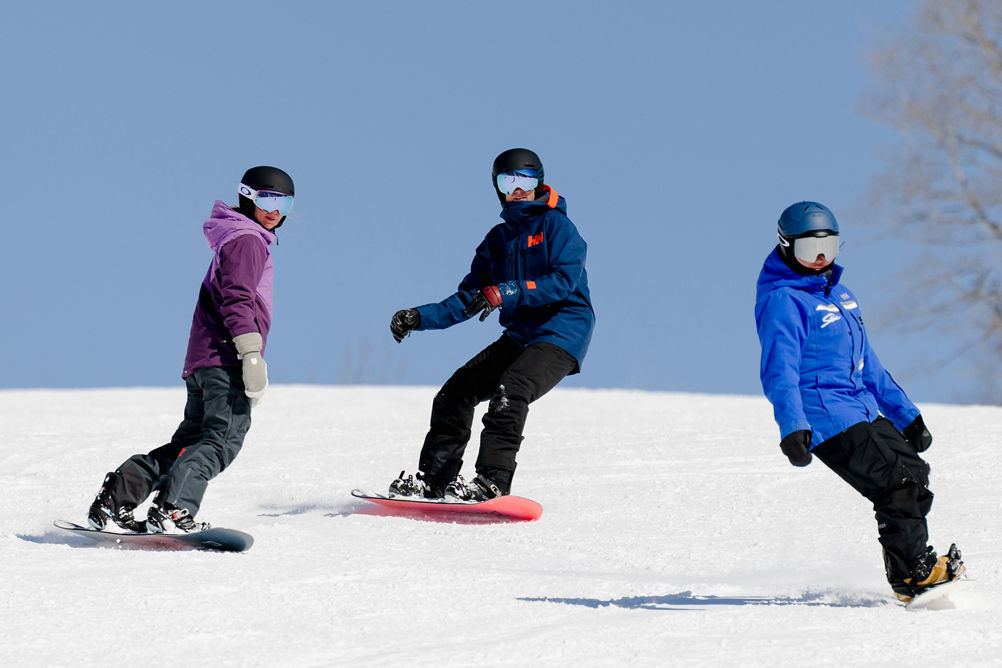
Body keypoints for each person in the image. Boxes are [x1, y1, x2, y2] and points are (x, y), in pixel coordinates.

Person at [755, 200, 965, 602]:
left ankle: (913, 565)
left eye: (829, 248)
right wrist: (792, 426)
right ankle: (911, 578)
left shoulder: (842, 295)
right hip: (824, 417)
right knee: (896, 484)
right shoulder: (784, 300)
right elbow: (779, 370)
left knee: (914, 472)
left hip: (861, 407)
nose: (819, 259)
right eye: (808, 250)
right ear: (785, 246)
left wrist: (907, 415)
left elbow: (868, 364)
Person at [87, 166, 294, 533]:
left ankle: (117, 498)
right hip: (226, 359)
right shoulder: (247, 240)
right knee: (220, 441)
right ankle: (174, 510)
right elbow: (237, 298)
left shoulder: (234, 237)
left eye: (284, 202)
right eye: (267, 199)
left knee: (188, 444)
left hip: (204, 360)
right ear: (247, 196)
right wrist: (250, 354)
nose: (275, 210)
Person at [388, 148, 595, 501]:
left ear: (539, 182)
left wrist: (506, 290)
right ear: (498, 188)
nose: (518, 189)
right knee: (456, 392)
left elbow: (562, 281)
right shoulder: (497, 241)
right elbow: (469, 297)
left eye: (526, 180)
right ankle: (434, 481)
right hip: (520, 336)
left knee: (510, 390)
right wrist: (420, 317)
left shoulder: (557, 227)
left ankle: (492, 481)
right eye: (508, 181)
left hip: (562, 331)